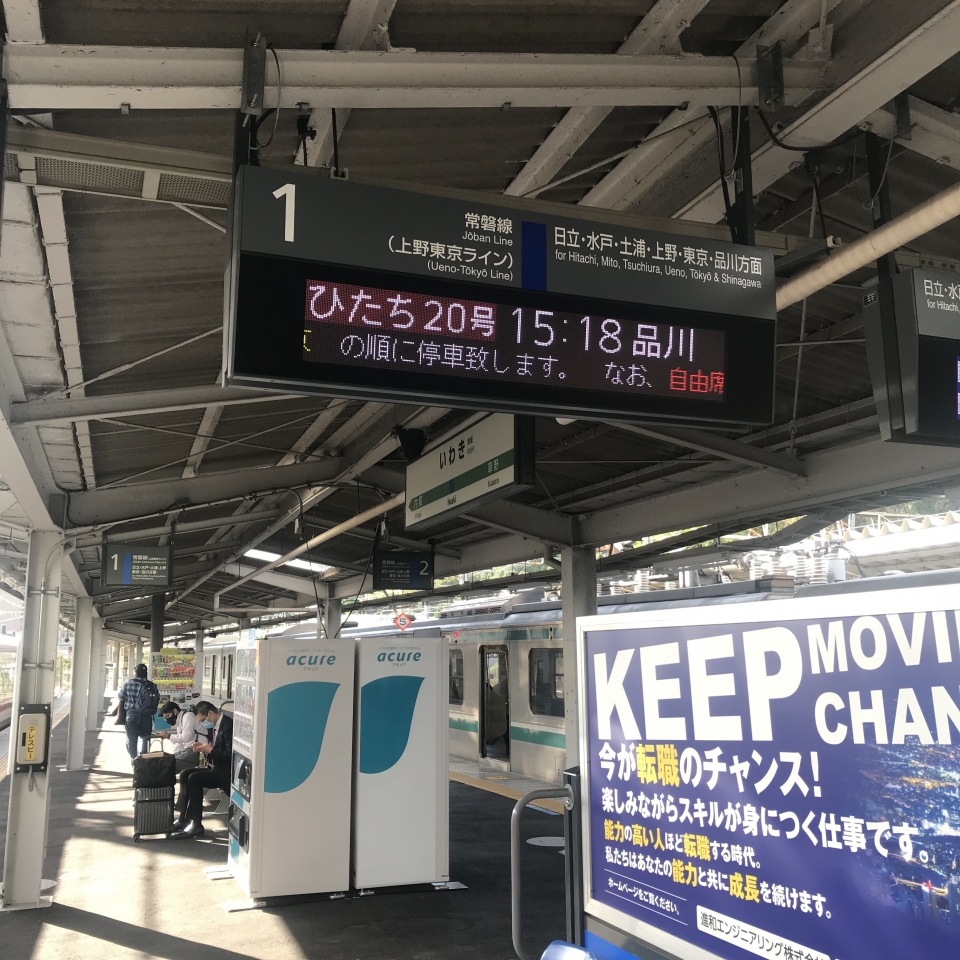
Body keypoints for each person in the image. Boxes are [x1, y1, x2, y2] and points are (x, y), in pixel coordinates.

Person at [171, 701, 233, 839]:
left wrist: (210, 750)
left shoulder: (228, 725)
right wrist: (203, 749)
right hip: (217, 766)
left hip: (226, 771)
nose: (204, 723)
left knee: (194, 779)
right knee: (185, 773)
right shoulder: (216, 726)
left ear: (210, 714)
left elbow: (229, 755)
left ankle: (196, 824)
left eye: (203, 720)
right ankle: (183, 818)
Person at [119, 663, 160, 761]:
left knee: (131, 738)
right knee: (146, 737)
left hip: (132, 714)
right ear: (146, 673)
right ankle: (143, 758)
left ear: (136, 673)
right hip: (146, 715)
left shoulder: (128, 684)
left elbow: (121, 697)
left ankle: (134, 759)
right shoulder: (152, 685)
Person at [155, 702, 201, 773]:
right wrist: (172, 756)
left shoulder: (188, 716)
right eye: (165, 718)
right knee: (166, 761)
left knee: (167, 766)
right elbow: (179, 744)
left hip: (196, 752)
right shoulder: (179, 721)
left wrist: (169, 736)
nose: (167, 720)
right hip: (187, 750)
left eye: (168, 716)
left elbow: (186, 737)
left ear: (175, 711)